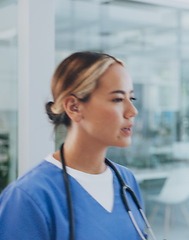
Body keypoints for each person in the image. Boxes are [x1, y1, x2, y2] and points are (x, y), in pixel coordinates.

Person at [0, 52, 155, 240]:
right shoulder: (28, 197)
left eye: (132, 99)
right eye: (117, 99)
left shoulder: (126, 181)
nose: (132, 111)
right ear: (74, 107)